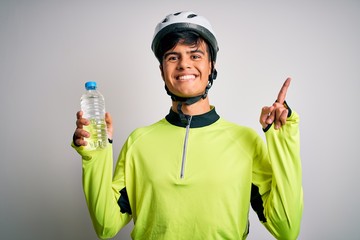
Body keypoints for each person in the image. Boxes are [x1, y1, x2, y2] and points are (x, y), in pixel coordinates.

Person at [72, 11, 303, 240]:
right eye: (173, 57)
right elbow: (106, 225)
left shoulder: (245, 141)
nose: (184, 64)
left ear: (211, 65)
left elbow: (286, 229)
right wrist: (96, 153)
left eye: (195, 55)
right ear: (162, 71)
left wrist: (282, 138)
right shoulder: (138, 142)